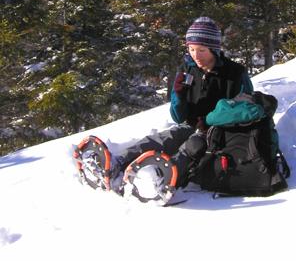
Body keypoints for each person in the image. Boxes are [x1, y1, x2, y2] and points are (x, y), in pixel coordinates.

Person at [74, 16, 254, 203]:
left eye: (201, 50)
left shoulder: (235, 73)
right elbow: (178, 117)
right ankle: (117, 164)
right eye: (191, 49)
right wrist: (178, 95)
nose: (196, 55)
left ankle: (161, 178)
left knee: (192, 146)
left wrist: (212, 121)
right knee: (162, 138)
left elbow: (247, 107)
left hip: (220, 132)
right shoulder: (188, 69)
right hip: (191, 125)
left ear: (214, 49)